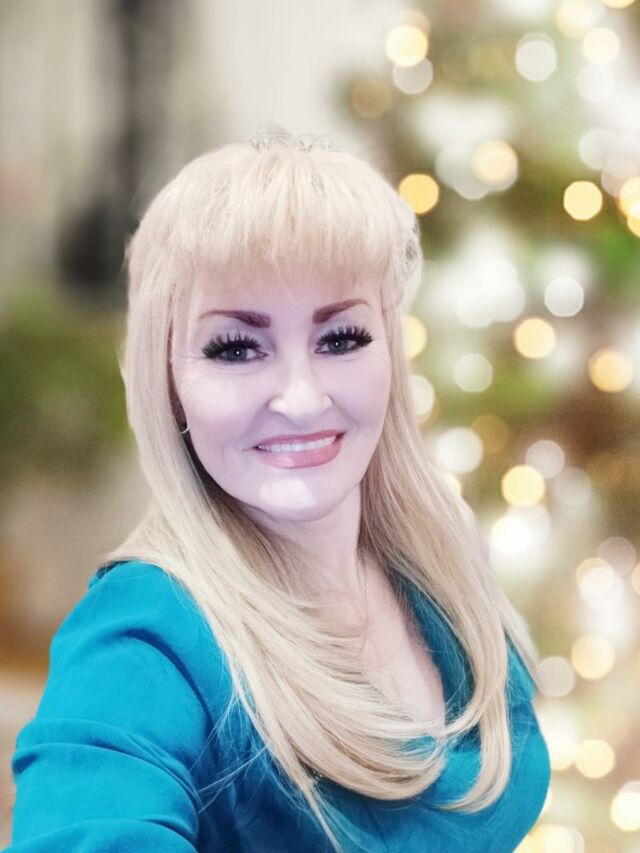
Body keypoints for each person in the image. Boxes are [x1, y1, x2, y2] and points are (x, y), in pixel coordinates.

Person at [7, 127, 551, 852]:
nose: (301, 398)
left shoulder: (438, 549)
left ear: (391, 351)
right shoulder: (140, 638)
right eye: (237, 348)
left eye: (341, 338)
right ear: (167, 380)